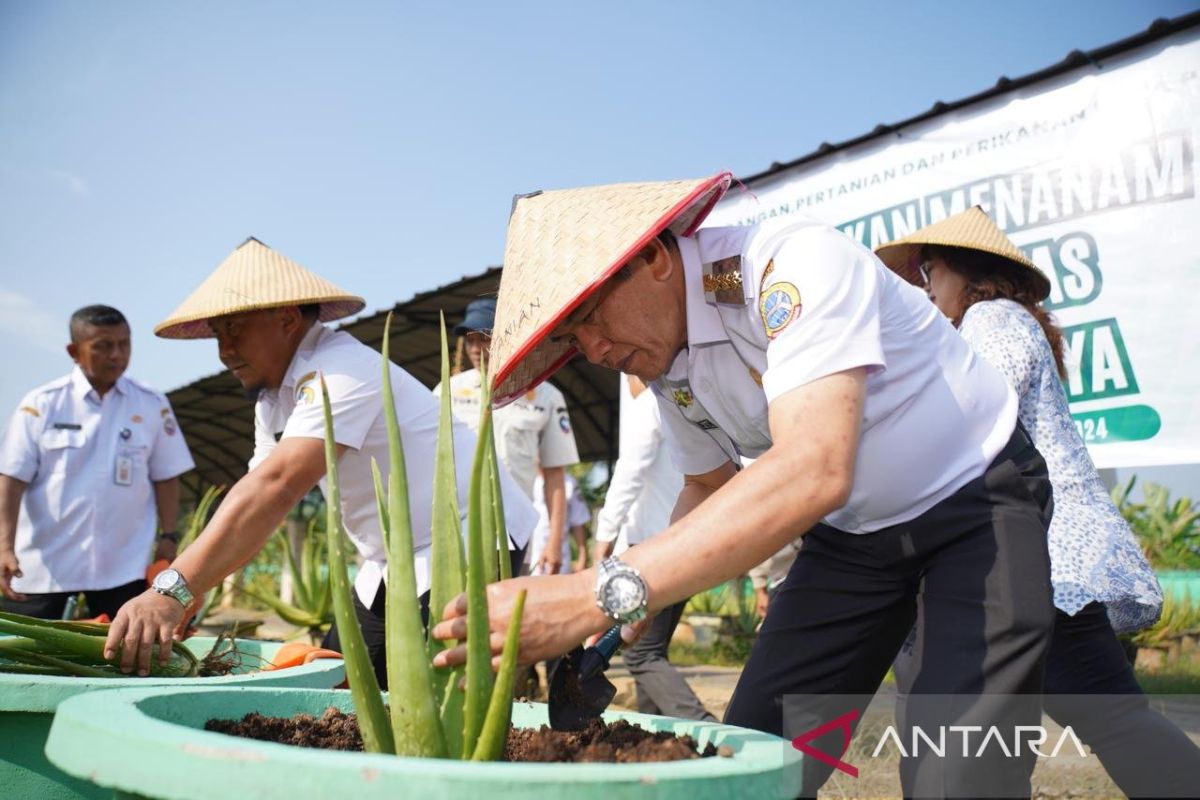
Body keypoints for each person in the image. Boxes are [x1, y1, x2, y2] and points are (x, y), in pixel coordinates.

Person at [431, 174, 1057, 797]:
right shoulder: (667, 360)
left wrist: (591, 594)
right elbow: (707, 485)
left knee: (960, 772)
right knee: (760, 756)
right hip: (854, 540)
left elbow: (814, 467)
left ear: (652, 258)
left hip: (976, 502)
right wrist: (625, 612)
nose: (592, 350)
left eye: (589, 315)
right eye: (570, 338)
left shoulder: (787, 266)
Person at [103, 237, 537, 684]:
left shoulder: (342, 370)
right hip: (393, 558)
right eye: (218, 333)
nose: (224, 350)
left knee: (418, 698)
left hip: (467, 540)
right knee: (340, 682)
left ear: (287, 319)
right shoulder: (273, 401)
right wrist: (192, 586)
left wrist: (170, 589)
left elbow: (278, 486)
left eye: (235, 329)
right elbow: (256, 502)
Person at [876, 206, 1200, 797]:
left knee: (1104, 719)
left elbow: (970, 416)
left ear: (963, 271)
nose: (925, 286)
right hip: (1031, 558)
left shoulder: (993, 320)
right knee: (1032, 731)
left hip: (1037, 561)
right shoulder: (1010, 321)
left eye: (928, 270)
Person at [0, 305, 194, 620]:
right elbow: (11, 478)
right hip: (43, 567)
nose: (116, 354)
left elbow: (166, 475)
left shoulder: (151, 404)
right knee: (27, 657)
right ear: (74, 351)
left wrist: (169, 537)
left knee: (125, 657)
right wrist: (4, 547)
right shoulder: (42, 405)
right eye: (103, 346)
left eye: (124, 344)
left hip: (122, 567)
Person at [591, 373, 714, 722]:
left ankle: (706, 728)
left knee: (641, 653)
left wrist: (604, 537)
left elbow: (630, 470)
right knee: (652, 648)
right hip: (686, 539)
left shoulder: (649, 403)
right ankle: (658, 735)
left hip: (654, 546)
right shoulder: (682, 399)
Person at [439, 297, 580, 575]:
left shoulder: (546, 395)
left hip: (514, 530)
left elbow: (555, 475)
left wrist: (554, 542)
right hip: (457, 527)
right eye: (470, 339)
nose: (477, 348)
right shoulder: (448, 391)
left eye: (486, 337)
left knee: (504, 611)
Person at [528, 469, 590, 574]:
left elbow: (578, 522)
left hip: (559, 557)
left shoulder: (569, 482)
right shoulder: (525, 478)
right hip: (529, 558)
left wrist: (582, 557)